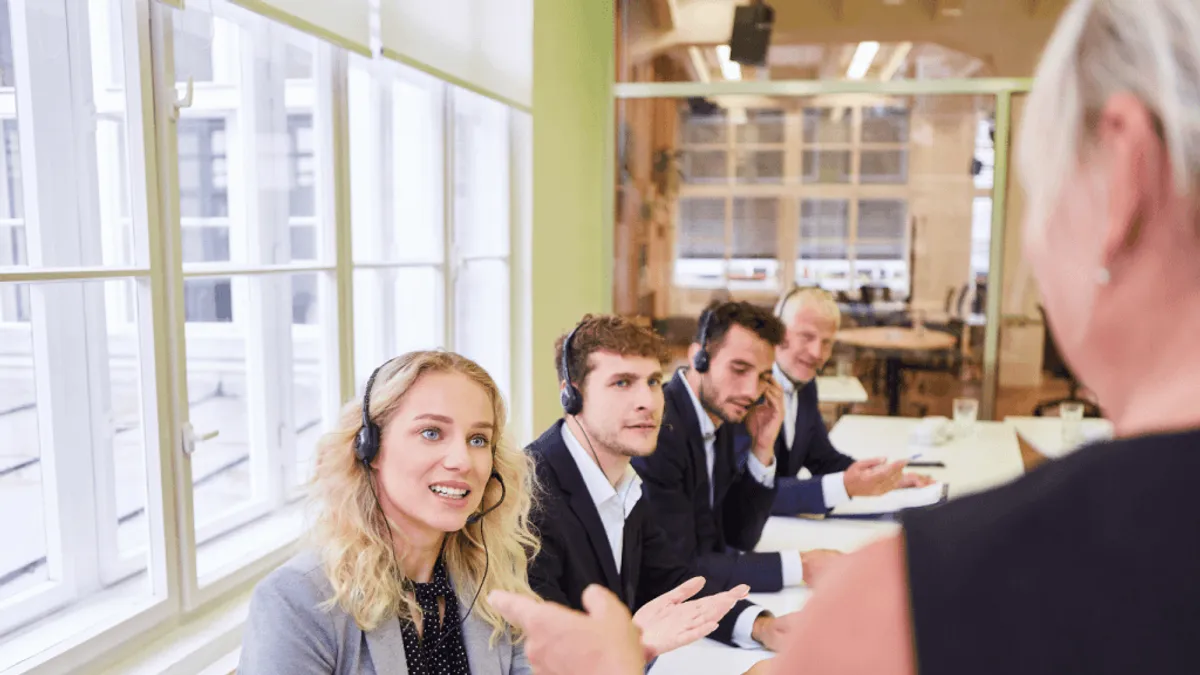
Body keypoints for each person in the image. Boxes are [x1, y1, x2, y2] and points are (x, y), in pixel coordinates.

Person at [488, 0, 1200, 672]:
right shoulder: (580, 471)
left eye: (1040, 192)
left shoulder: (914, 600)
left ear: (1126, 171)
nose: (1035, 246)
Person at [239, 351, 538, 674]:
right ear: (370, 447)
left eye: (478, 440)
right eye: (431, 433)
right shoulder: (297, 600)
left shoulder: (492, 574)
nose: (462, 461)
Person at [527, 314, 764, 654]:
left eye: (653, 381)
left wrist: (762, 626)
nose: (649, 402)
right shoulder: (530, 499)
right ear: (571, 395)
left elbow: (669, 580)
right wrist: (639, 647)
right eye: (622, 383)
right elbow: (548, 653)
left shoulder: (625, 482)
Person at [631, 301, 842, 602]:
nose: (751, 392)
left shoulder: (722, 417)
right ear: (698, 358)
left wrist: (762, 448)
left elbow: (739, 537)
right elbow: (679, 567)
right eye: (739, 369)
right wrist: (800, 566)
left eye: (763, 377)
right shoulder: (658, 432)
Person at [769, 287, 933, 516]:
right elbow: (749, 495)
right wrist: (844, 487)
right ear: (777, 332)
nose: (817, 353)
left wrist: (883, 479)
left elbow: (824, 460)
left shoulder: (805, 385)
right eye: (806, 337)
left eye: (827, 342)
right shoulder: (746, 393)